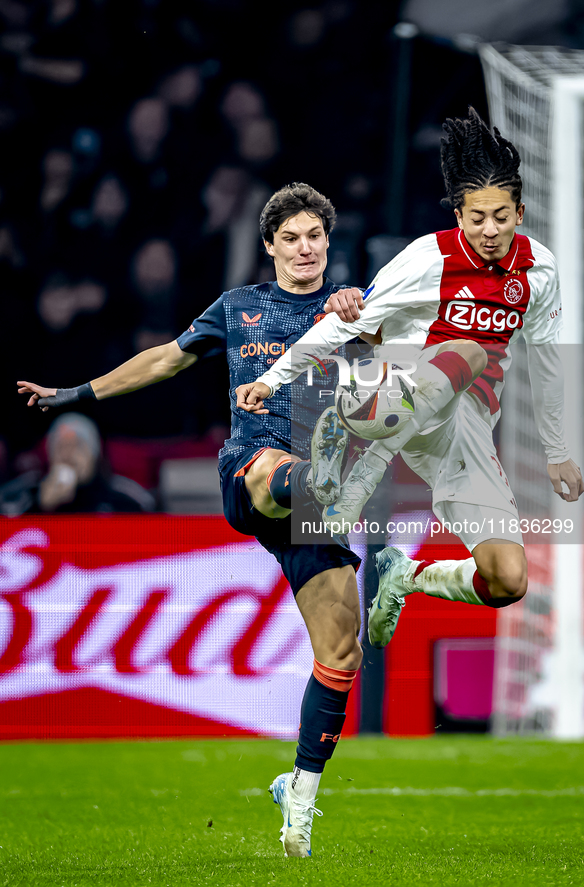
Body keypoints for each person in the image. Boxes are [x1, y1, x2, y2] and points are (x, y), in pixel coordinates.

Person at [17, 183, 367, 859]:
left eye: (314, 236)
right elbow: (164, 359)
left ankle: (296, 791)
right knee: (286, 469)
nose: (303, 247)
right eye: (289, 236)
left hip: (314, 504)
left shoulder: (354, 309)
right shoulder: (240, 308)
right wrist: (75, 393)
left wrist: (365, 314)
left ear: (328, 242)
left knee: (341, 652)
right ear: (268, 246)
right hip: (255, 470)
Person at [236, 109, 584, 649]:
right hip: (386, 388)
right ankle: (355, 479)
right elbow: (347, 323)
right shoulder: (428, 256)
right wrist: (274, 379)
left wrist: (558, 450)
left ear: (519, 211)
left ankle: (406, 576)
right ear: (459, 215)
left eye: (500, 216)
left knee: (506, 579)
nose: (489, 230)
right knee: (469, 349)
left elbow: (547, 362)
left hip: (461, 427)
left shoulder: (539, 269)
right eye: (476, 218)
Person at [0, 412, 154, 515]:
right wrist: (42, 508)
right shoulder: (26, 493)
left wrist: (83, 497)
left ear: (94, 455)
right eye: (61, 446)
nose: (68, 454)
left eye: (78, 445)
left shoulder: (123, 497)